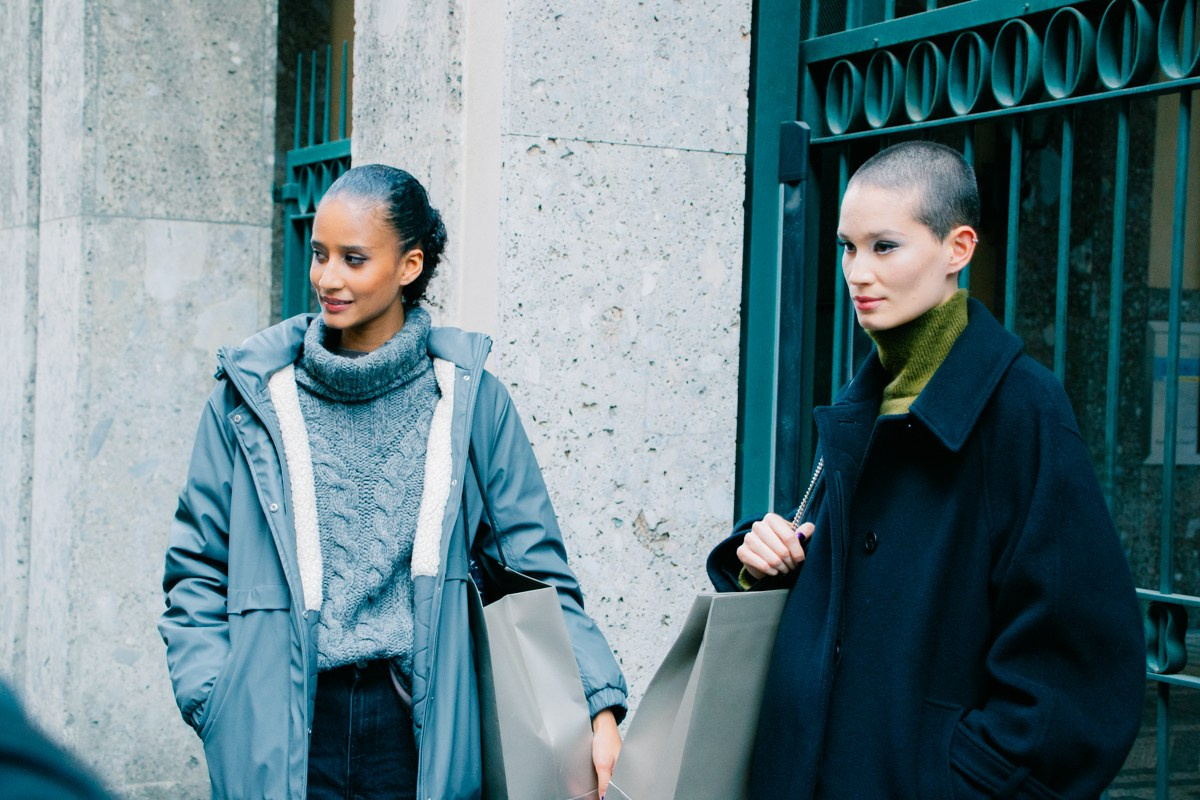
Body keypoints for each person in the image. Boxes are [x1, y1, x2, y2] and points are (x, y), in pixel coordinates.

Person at [159, 164, 626, 799]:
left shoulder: (471, 402)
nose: (327, 278)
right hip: (285, 720)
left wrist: (597, 703)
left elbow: (534, 573)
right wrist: (216, 702)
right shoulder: (249, 398)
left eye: (354, 259)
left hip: (418, 728)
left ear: (409, 265)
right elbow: (197, 569)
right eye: (320, 255)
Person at [707, 141, 1145, 798]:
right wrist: (764, 556)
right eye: (846, 248)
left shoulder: (1021, 409)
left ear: (957, 249)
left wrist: (962, 779)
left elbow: (1077, 669)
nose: (857, 272)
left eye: (884, 247)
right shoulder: (873, 398)